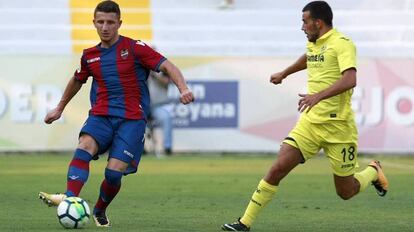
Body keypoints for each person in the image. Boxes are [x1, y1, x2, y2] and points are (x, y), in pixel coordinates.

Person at [221, 1, 388, 231]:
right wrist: (285, 73)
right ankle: (244, 223)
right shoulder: (314, 43)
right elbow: (310, 57)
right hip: (310, 124)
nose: (302, 27)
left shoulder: (342, 44)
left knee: (345, 192)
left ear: (318, 23)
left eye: (304, 21)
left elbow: (350, 79)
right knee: (277, 168)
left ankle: (373, 171)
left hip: (338, 128)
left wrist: (318, 96)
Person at [38, 0, 194, 228]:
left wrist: (184, 88)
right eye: (100, 22)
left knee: (114, 173)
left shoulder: (135, 48)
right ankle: (70, 198)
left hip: (131, 120)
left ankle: (100, 209)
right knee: (84, 146)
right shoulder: (89, 56)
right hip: (101, 115)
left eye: (110, 22)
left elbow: (169, 67)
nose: (105, 27)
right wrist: (59, 107)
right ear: (94, 23)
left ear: (119, 23)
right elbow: (77, 80)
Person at [147, 58, 174, 156]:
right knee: (135, 121)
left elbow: (168, 82)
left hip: (158, 106)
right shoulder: (138, 67)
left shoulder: (162, 67)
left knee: (166, 117)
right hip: (142, 106)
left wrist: (154, 74)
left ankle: (167, 148)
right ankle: (141, 149)